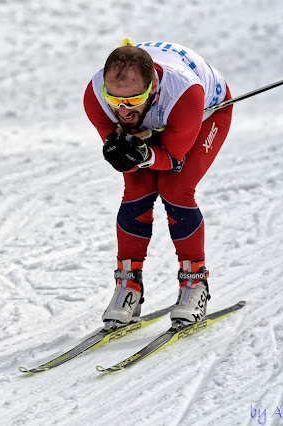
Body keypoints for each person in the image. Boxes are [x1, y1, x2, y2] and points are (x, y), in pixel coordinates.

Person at [83, 40, 233, 327]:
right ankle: (129, 286)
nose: (123, 112)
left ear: (152, 86)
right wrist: (125, 152)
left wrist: (145, 153)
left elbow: (174, 159)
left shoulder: (185, 93)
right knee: (137, 189)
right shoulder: (94, 96)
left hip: (204, 114)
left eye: (131, 101)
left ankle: (195, 284)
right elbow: (121, 147)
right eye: (115, 101)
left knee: (176, 189)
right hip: (160, 114)